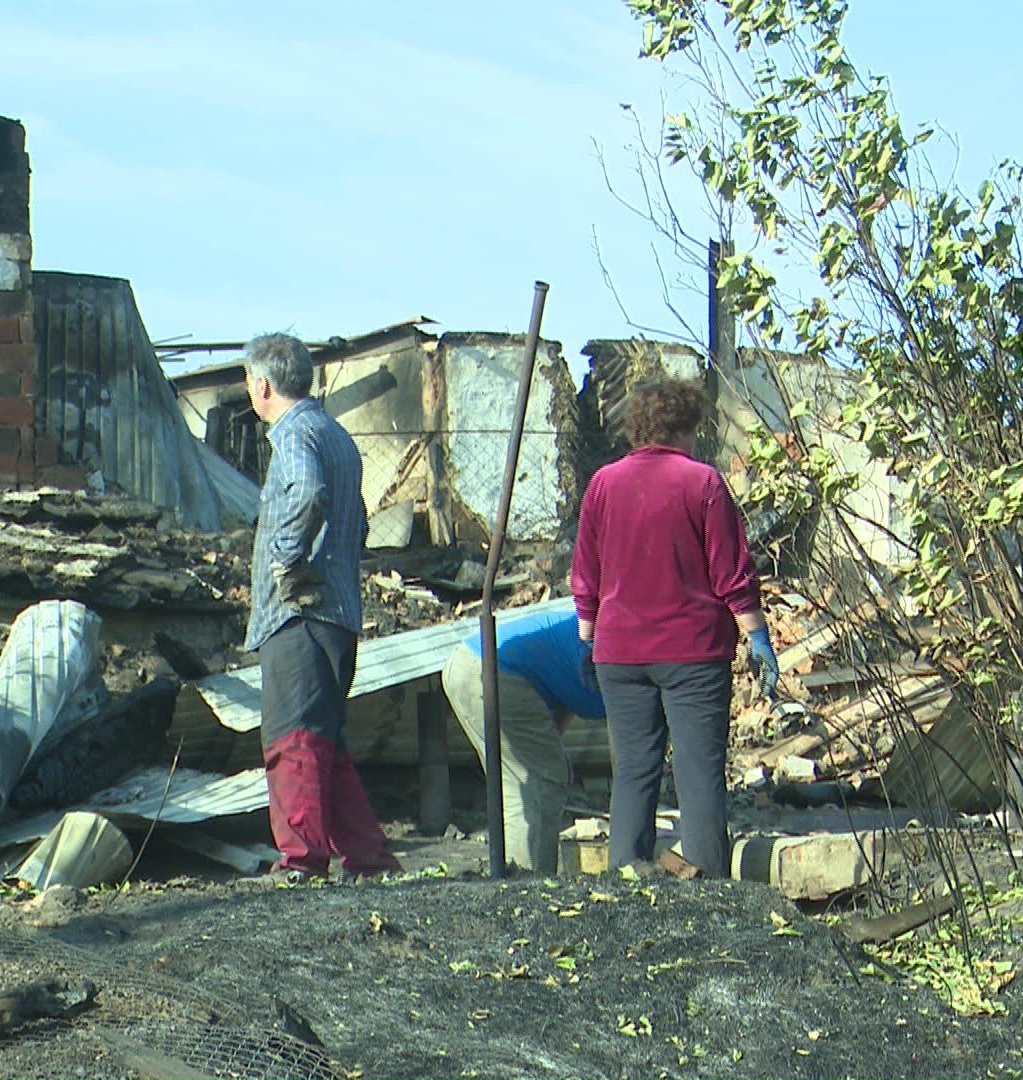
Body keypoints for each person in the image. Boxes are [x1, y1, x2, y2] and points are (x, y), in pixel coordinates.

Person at [570, 377, 777, 878]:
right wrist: (756, 635)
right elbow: (729, 571)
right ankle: (707, 885)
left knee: (634, 771)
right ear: (687, 424)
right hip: (693, 652)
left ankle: (625, 876)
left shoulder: (603, 484)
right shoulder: (701, 482)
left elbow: (586, 571)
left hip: (619, 652)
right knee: (698, 772)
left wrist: (586, 634)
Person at [240, 332, 401, 881]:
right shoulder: (335, 434)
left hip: (298, 615)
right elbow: (354, 515)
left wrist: (285, 560)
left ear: (261, 385)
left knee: (294, 739)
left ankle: (301, 861)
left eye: (247, 381)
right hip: (337, 614)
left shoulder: (292, 435)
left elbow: (306, 491)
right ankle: (369, 859)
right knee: (327, 744)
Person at [441, 609, 604, 874]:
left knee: (519, 782)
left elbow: (563, 689)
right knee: (538, 782)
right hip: (492, 670)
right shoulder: (614, 644)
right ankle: (530, 883)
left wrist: (554, 739)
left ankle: (511, 877)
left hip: (471, 663)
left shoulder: (597, 634)